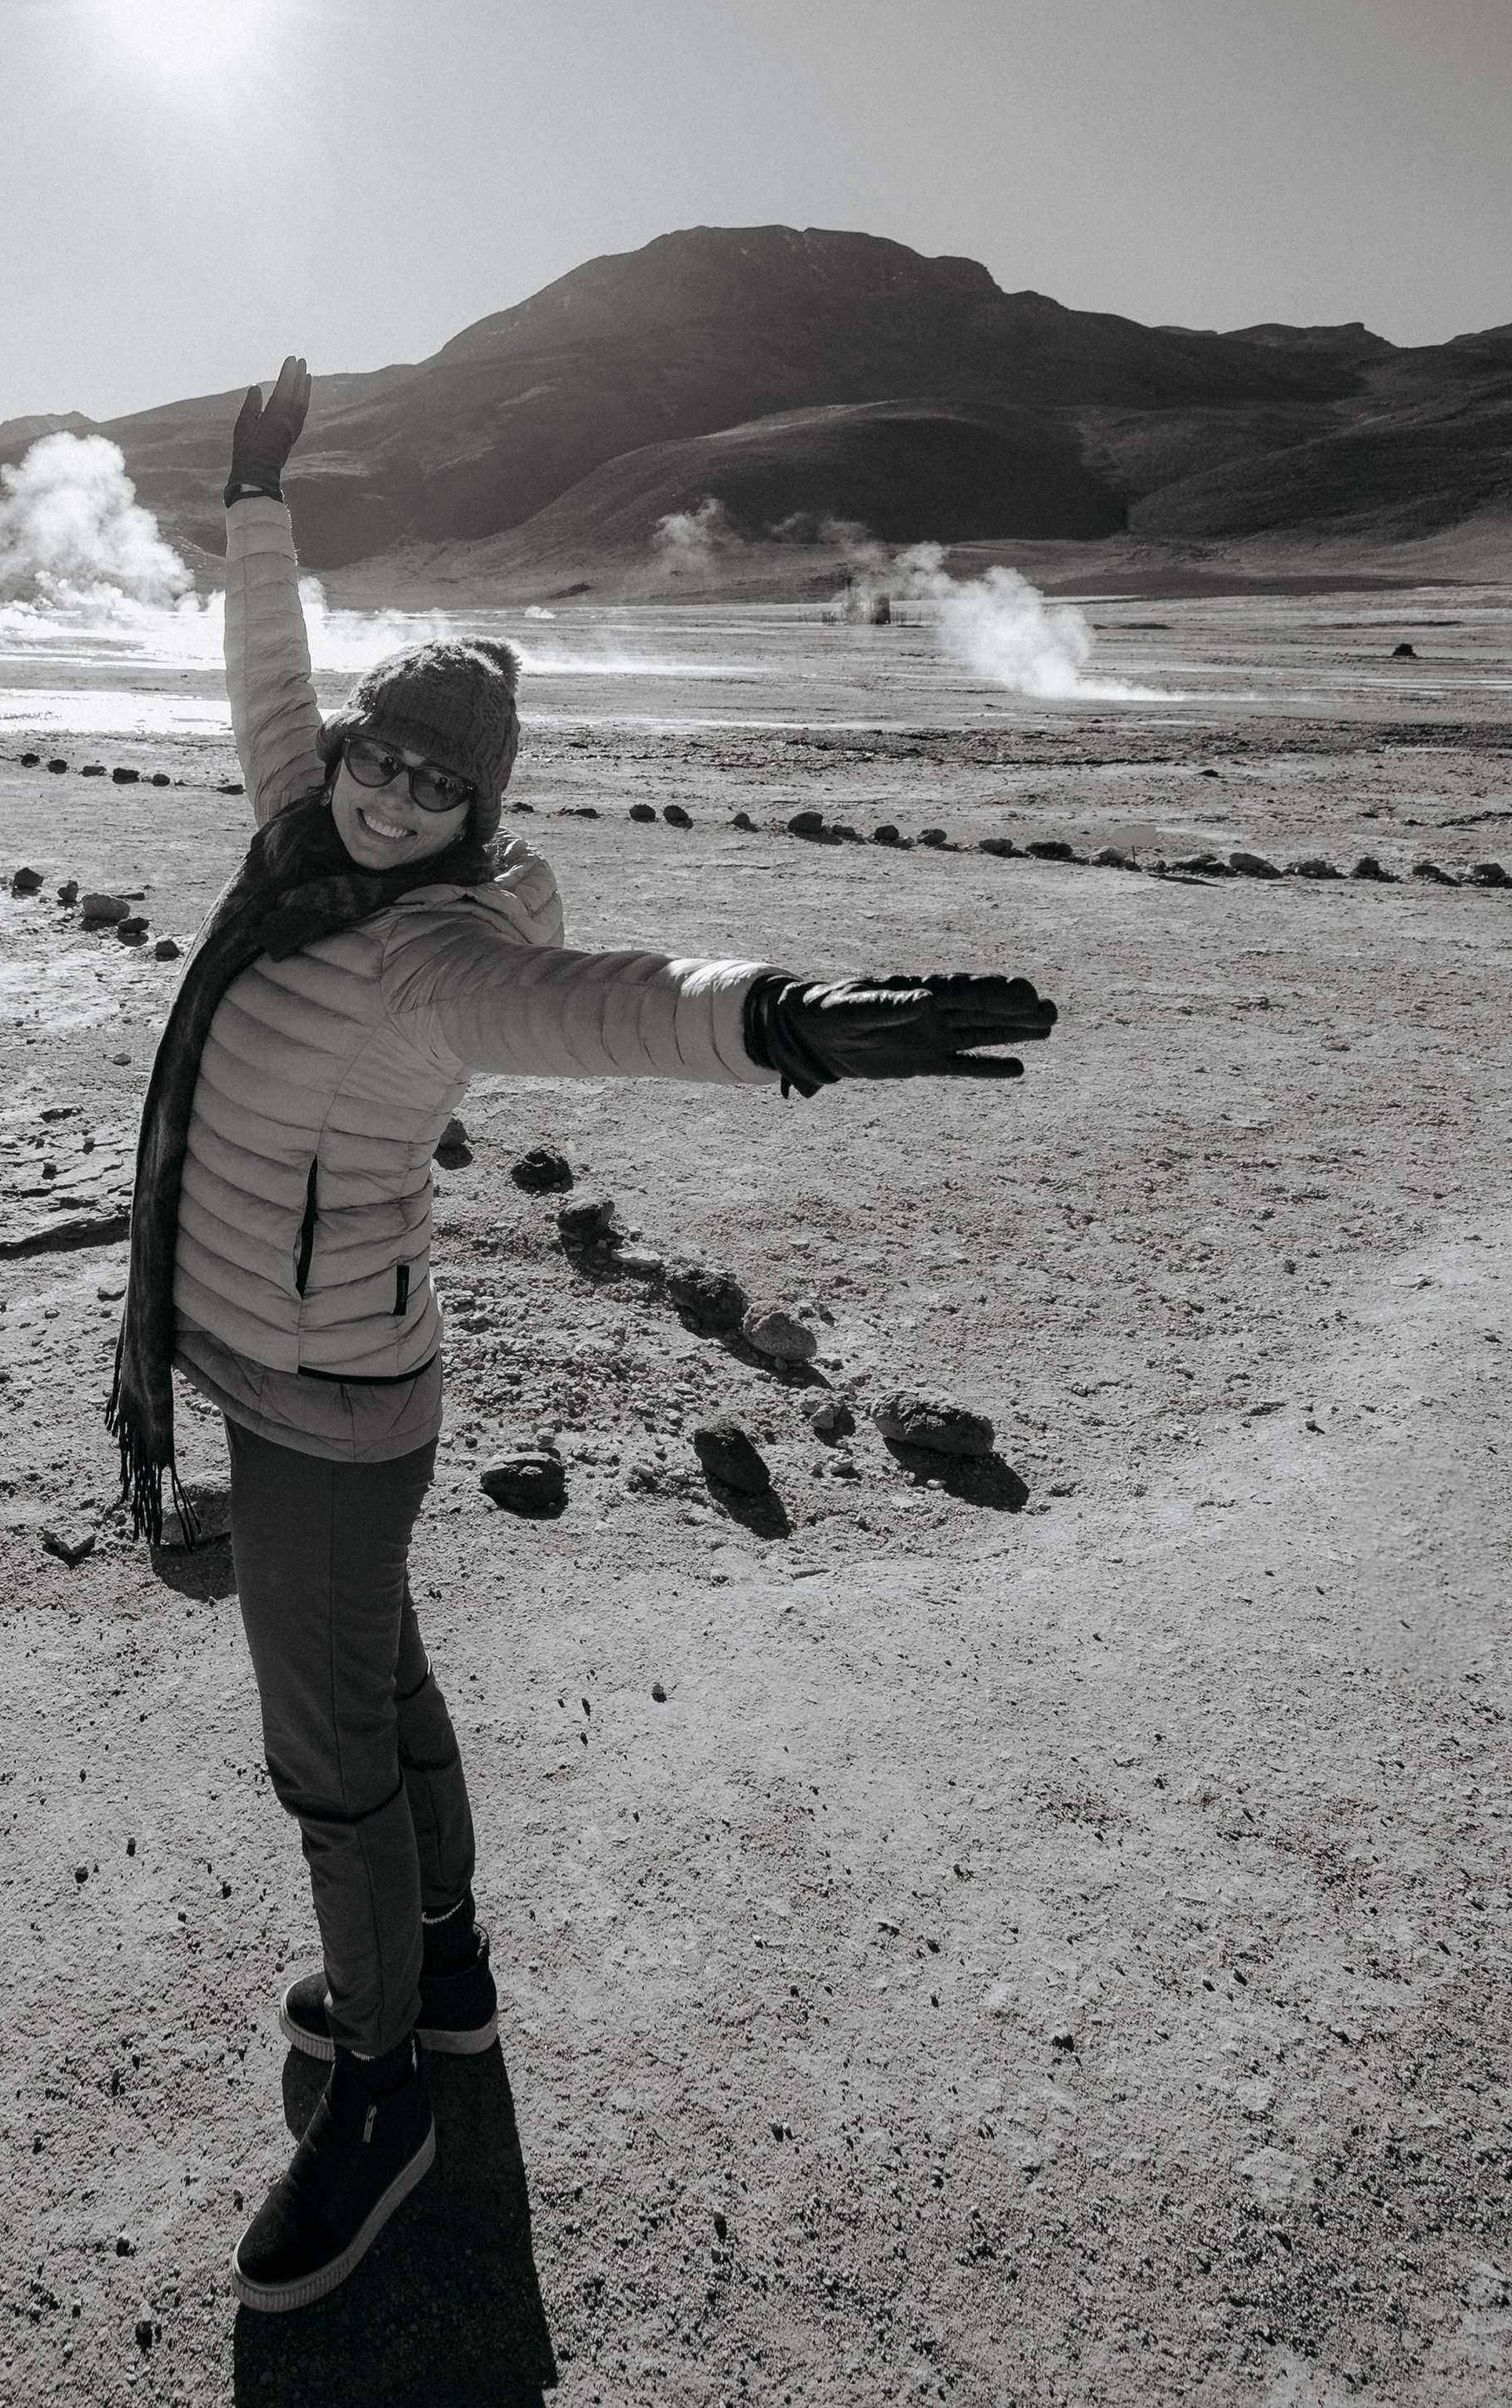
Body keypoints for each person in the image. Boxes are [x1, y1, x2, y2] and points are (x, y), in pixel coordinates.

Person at [107, 357, 1056, 2316]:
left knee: (326, 1757)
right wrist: (255, 504)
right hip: (278, 1363)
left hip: (333, 1398)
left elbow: (611, 1002)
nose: (381, 792)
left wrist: (775, 1014)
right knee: (382, 1688)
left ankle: (379, 2094)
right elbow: (266, 684)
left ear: (479, 813)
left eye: (430, 784)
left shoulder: (450, 949)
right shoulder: (298, 830)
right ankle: (439, 1977)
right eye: (377, 760)